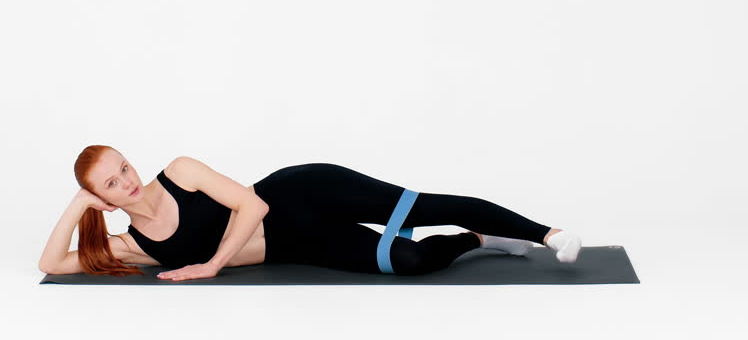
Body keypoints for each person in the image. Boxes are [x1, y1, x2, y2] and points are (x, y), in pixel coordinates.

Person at [39, 145, 582, 280]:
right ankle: (483, 240)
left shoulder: (180, 172)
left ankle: (546, 232)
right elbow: (52, 265)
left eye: (125, 168)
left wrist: (211, 265)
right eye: (111, 185)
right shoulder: (134, 246)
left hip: (304, 194)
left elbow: (253, 203)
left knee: (423, 205)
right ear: (103, 199)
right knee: (412, 263)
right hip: (305, 245)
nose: (128, 182)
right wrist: (75, 205)